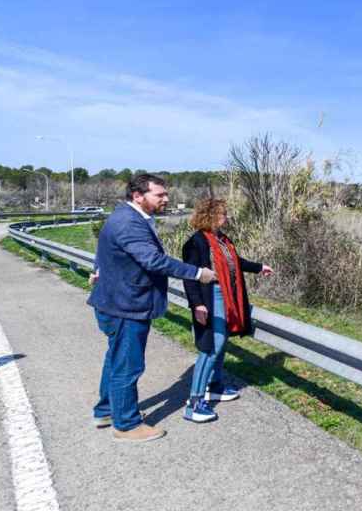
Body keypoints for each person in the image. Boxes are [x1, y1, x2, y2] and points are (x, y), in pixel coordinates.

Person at [87, 173, 217, 442]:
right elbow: (154, 261)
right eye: (160, 194)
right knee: (128, 365)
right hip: (126, 305)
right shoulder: (129, 222)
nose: (166, 199)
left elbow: (105, 251)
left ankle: (106, 410)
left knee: (116, 358)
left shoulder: (125, 217)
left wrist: (97, 269)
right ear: (138, 195)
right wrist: (197, 273)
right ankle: (126, 425)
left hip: (117, 301)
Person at [181, 198, 272, 423]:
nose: (226, 217)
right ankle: (194, 402)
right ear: (210, 215)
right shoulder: (197, 242)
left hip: (226, 295)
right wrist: (197, 305)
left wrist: (259, 268)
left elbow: (235, 262)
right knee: (212, 346)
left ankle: (215, 385)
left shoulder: (222, 239)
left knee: (221, 344)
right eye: (223, 213)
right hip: (209, 297)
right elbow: (190, 276)